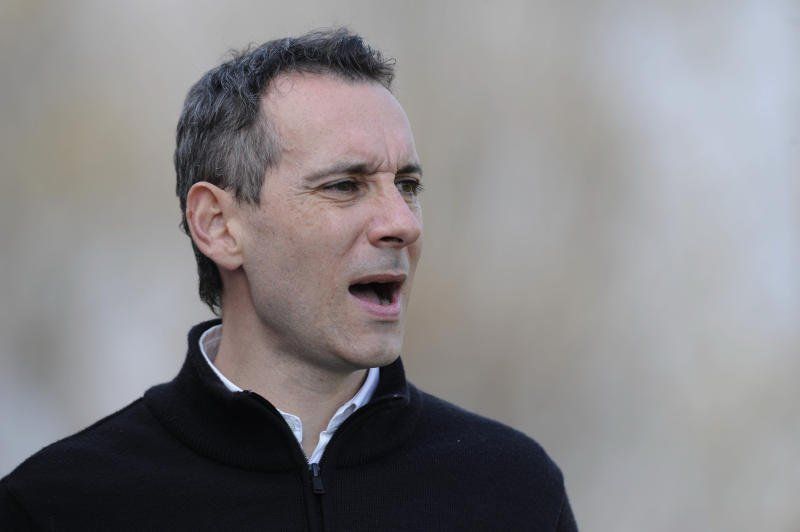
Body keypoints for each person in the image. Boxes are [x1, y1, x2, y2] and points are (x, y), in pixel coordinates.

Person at [1, 28, 578, 531]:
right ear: (218, 225)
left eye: (407, 186)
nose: (402, 223)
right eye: (344, 186)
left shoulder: (516, 491)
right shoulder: (59, 506)